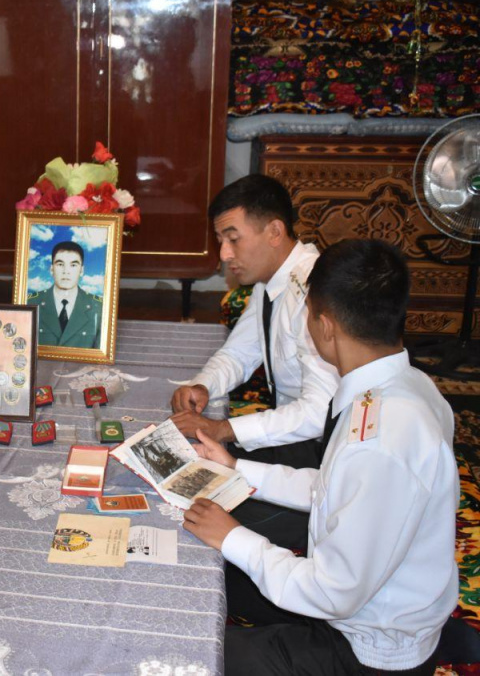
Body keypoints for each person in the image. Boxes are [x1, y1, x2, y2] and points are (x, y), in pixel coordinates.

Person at [183, 240, 457, 674]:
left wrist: (234, 535)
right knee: (203, 579)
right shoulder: (404, 385)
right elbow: (332, 487)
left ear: (326, 327)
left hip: (365, 647)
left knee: (189, 655)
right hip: (358, 599)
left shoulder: (382, 440)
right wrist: (236, 466)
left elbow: (334, 591)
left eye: (307, 313)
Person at [170, 174, 339, 469]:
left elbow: (319, 413)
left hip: (323, 455)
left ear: (274, 231)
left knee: (200, 487)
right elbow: (238, 353)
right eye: (221, 240)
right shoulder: (269, 283)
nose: (224, 254)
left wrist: (226, 429)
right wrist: (203, 386)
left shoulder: (315, 291)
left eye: (233, 239)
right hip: (287, 434)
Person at [28, 240, 102, 348]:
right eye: (60, 264)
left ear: (81, 270)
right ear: (51, 269)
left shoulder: (99, 307)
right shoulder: (30, 303)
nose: (66, 271)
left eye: (73, 265)